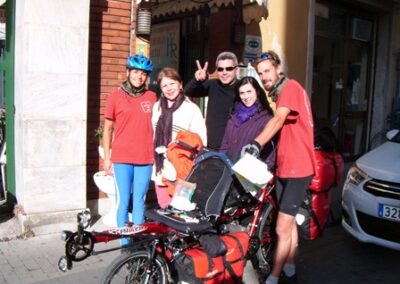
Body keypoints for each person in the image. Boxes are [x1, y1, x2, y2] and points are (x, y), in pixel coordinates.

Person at [241, 50, 315, 284]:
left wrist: (256, 143)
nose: (264, 77)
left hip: (298, 168)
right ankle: (290, 264)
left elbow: (279, 119)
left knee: (282, 228)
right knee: (289, 222)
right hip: (286, 167)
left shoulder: (290, 88)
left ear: (278, 69)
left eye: (267, 71)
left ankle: (274, 276)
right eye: (260, 73)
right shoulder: (282, 92)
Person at [103, 54, 156, 245]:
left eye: (143, 73)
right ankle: (125, 245)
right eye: (135, 72)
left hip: (145, 158)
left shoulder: (152, 96)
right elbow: (108, 128)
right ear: (128, 72)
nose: (139, 77)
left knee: (140, 202)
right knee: (123, 202)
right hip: (122, 158)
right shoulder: (115, 96)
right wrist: (107, 158)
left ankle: (139, 244)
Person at [152, 67, 207, 209]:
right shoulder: (157, 107)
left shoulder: (191, 108)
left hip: (184, 169)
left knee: (182, 210)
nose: (169, 88)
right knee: (164, 206)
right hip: (162, 167)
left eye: (172, 83)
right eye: (164, 85)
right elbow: (154, 136)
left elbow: (201, 140)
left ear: (180, 84)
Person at [184, 51, 239, 150]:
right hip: (211, 146)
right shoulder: (213, 85)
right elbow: (188, 91)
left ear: (237, 70)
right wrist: (197, 79)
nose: (224, 72)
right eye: (220, 69)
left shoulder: (243, 88)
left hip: (234, 148)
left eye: (229, 69)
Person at [220, 76, 276, 168]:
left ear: (257, 92)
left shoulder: (266, 119)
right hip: (228, 170)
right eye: (242, 93)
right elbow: (224, 146)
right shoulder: (233, 116)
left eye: (249, 92)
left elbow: (270, 154)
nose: (246, 97)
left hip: (250, 173)